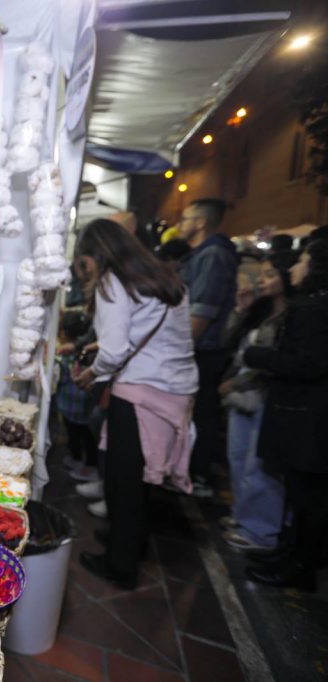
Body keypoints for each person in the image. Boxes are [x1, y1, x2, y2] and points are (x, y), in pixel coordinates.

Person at [73, 219, 198, 589]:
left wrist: (91, 373)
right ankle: (128, 542)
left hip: (141, 392)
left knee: (123, 480)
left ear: (97, 254)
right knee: (139, 481)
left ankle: (120, 564)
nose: (86, 270)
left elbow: (114, 350)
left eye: (85, 262)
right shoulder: (164, 278)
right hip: (176, 389)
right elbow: (145, 334)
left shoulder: (114, 282)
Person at [244, 239, 328, 590]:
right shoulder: (311, 306)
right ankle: (287, 553)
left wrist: (258, 356)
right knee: (299, 495)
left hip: (307, 418)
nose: (294, 268)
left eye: (302, 261)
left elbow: (308, 364)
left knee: (308, 500)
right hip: (306, 416)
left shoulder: (314, 309)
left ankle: (298, 566)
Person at [218, 252, 297, 551]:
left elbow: (269, 364)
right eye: (262, 274)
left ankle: (260, 531)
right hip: (243, 396)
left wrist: (233, 383)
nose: (262, 280)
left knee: (259, 466)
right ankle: (244, 515)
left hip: (265, 396)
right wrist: (240, 309)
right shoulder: (260, 311)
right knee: (238, 459)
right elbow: (228, 342)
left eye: (270, 275)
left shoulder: (294, 316)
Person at [176, 198, 239, 497]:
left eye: (186, 217)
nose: (181, 224)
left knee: (200, 415)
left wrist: (180, 350)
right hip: (198, 349)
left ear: (201, 222)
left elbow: (201, 312)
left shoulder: (213, 255)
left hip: (202, 350)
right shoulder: (203, 254)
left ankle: (197, 476)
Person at [55, 311, 98, 482]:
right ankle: (83, 461)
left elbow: (62, 378)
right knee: (87, 436)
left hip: (70, 408)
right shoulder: (89, 354)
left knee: (76, 436)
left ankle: (83, 463)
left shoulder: (66, 357)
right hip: (86, 406)